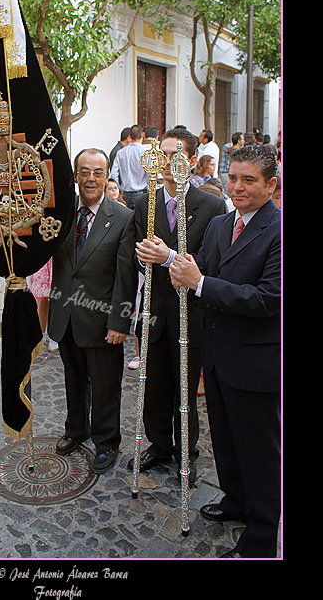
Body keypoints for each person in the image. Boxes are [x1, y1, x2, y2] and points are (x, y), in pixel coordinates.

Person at [169, 144, 281, 558]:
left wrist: (199, 283)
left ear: (271, 184)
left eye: (248, 180)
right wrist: (173, 266)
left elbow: (268, 299)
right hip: (217, 359)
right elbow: (199, 274)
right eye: (232, 177)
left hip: (256, 365)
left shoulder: (278, 231)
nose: (237, 187)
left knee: (260, 452)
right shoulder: (220, 224)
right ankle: (236, 501)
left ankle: (261, 538)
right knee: (228, 442)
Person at [129, 128, 226, 481]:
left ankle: (186, 448)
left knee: (185, 388)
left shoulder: (212, 205)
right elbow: (136, 258)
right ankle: (158, 444)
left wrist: (169, 257)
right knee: (155, 385)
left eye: (178, 156)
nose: (169, 163)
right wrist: (144, 259)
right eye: (165, 155)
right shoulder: (145, 202)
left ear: (193, 160)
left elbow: (209, 262)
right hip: (154, 313)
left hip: (192, 316)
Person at [48, 148, 137, 474]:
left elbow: (125, 275)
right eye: (84, 172)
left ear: (107, 175)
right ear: (75, 175)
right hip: (66, 316)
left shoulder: (123, 218)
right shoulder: (59, 212)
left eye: (98, 172)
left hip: (102, 321)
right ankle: (76, 429)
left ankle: (106, 440)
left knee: (105, 386)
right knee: (74, 380)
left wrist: (119, 321)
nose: (90, 178)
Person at [109, 124, 148, 209]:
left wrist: (119, 189)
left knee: (127, 219)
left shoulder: (121, 152)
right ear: (142, 135)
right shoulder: (146, 152)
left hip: (126, 193)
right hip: (142, 193)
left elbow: (114, 174)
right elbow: (150, 174)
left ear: (129, 136)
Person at [28, 259, 58, 351]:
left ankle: (54, 336)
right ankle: (42, 335)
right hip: (42, 259)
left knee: (56, 300)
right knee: (42, 297)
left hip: (57, 259)